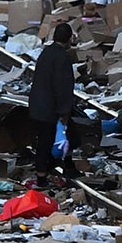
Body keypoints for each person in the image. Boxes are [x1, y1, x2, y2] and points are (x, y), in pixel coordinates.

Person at [25, 20, 81, 182]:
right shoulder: (62, 58)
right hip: (52, 109)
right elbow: (63, 87)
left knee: (49, 140)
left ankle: (60, 168)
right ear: (69, 39)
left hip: (38, 106)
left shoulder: (46, 53)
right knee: (51, 141)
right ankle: (43, 176)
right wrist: (64, 113)